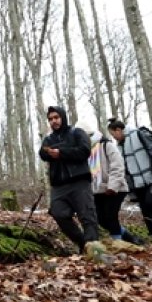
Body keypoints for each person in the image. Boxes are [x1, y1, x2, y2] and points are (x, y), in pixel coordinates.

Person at [39, 106, 100, 253]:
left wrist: (61, 152)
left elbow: (84, 151)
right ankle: (82, 243)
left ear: (63, 117)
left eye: (56, 117)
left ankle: (95, 250)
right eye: (50, 119)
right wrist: (49, 152)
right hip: (59, 184)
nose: (54, 121)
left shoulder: (77, 132)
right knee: (58, 212)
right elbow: (42, 153)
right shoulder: (48, 139)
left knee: (87, 215)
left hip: (80, 181)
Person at [108, 119, 152, 244]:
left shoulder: (139, 134)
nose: (114, 138)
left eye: (114, 135)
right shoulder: (120, 146)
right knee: (146, 209)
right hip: (137, 184)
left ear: (118, 130)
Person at [88, 129, 139, 243]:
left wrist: (112, 186)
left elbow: (118, 165)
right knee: (101, 219)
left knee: (111, 216)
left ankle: (118, 242)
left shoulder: (107, 145)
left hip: (116, 188)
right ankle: (129, 238)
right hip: (98, 190)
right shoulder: (86, 150)